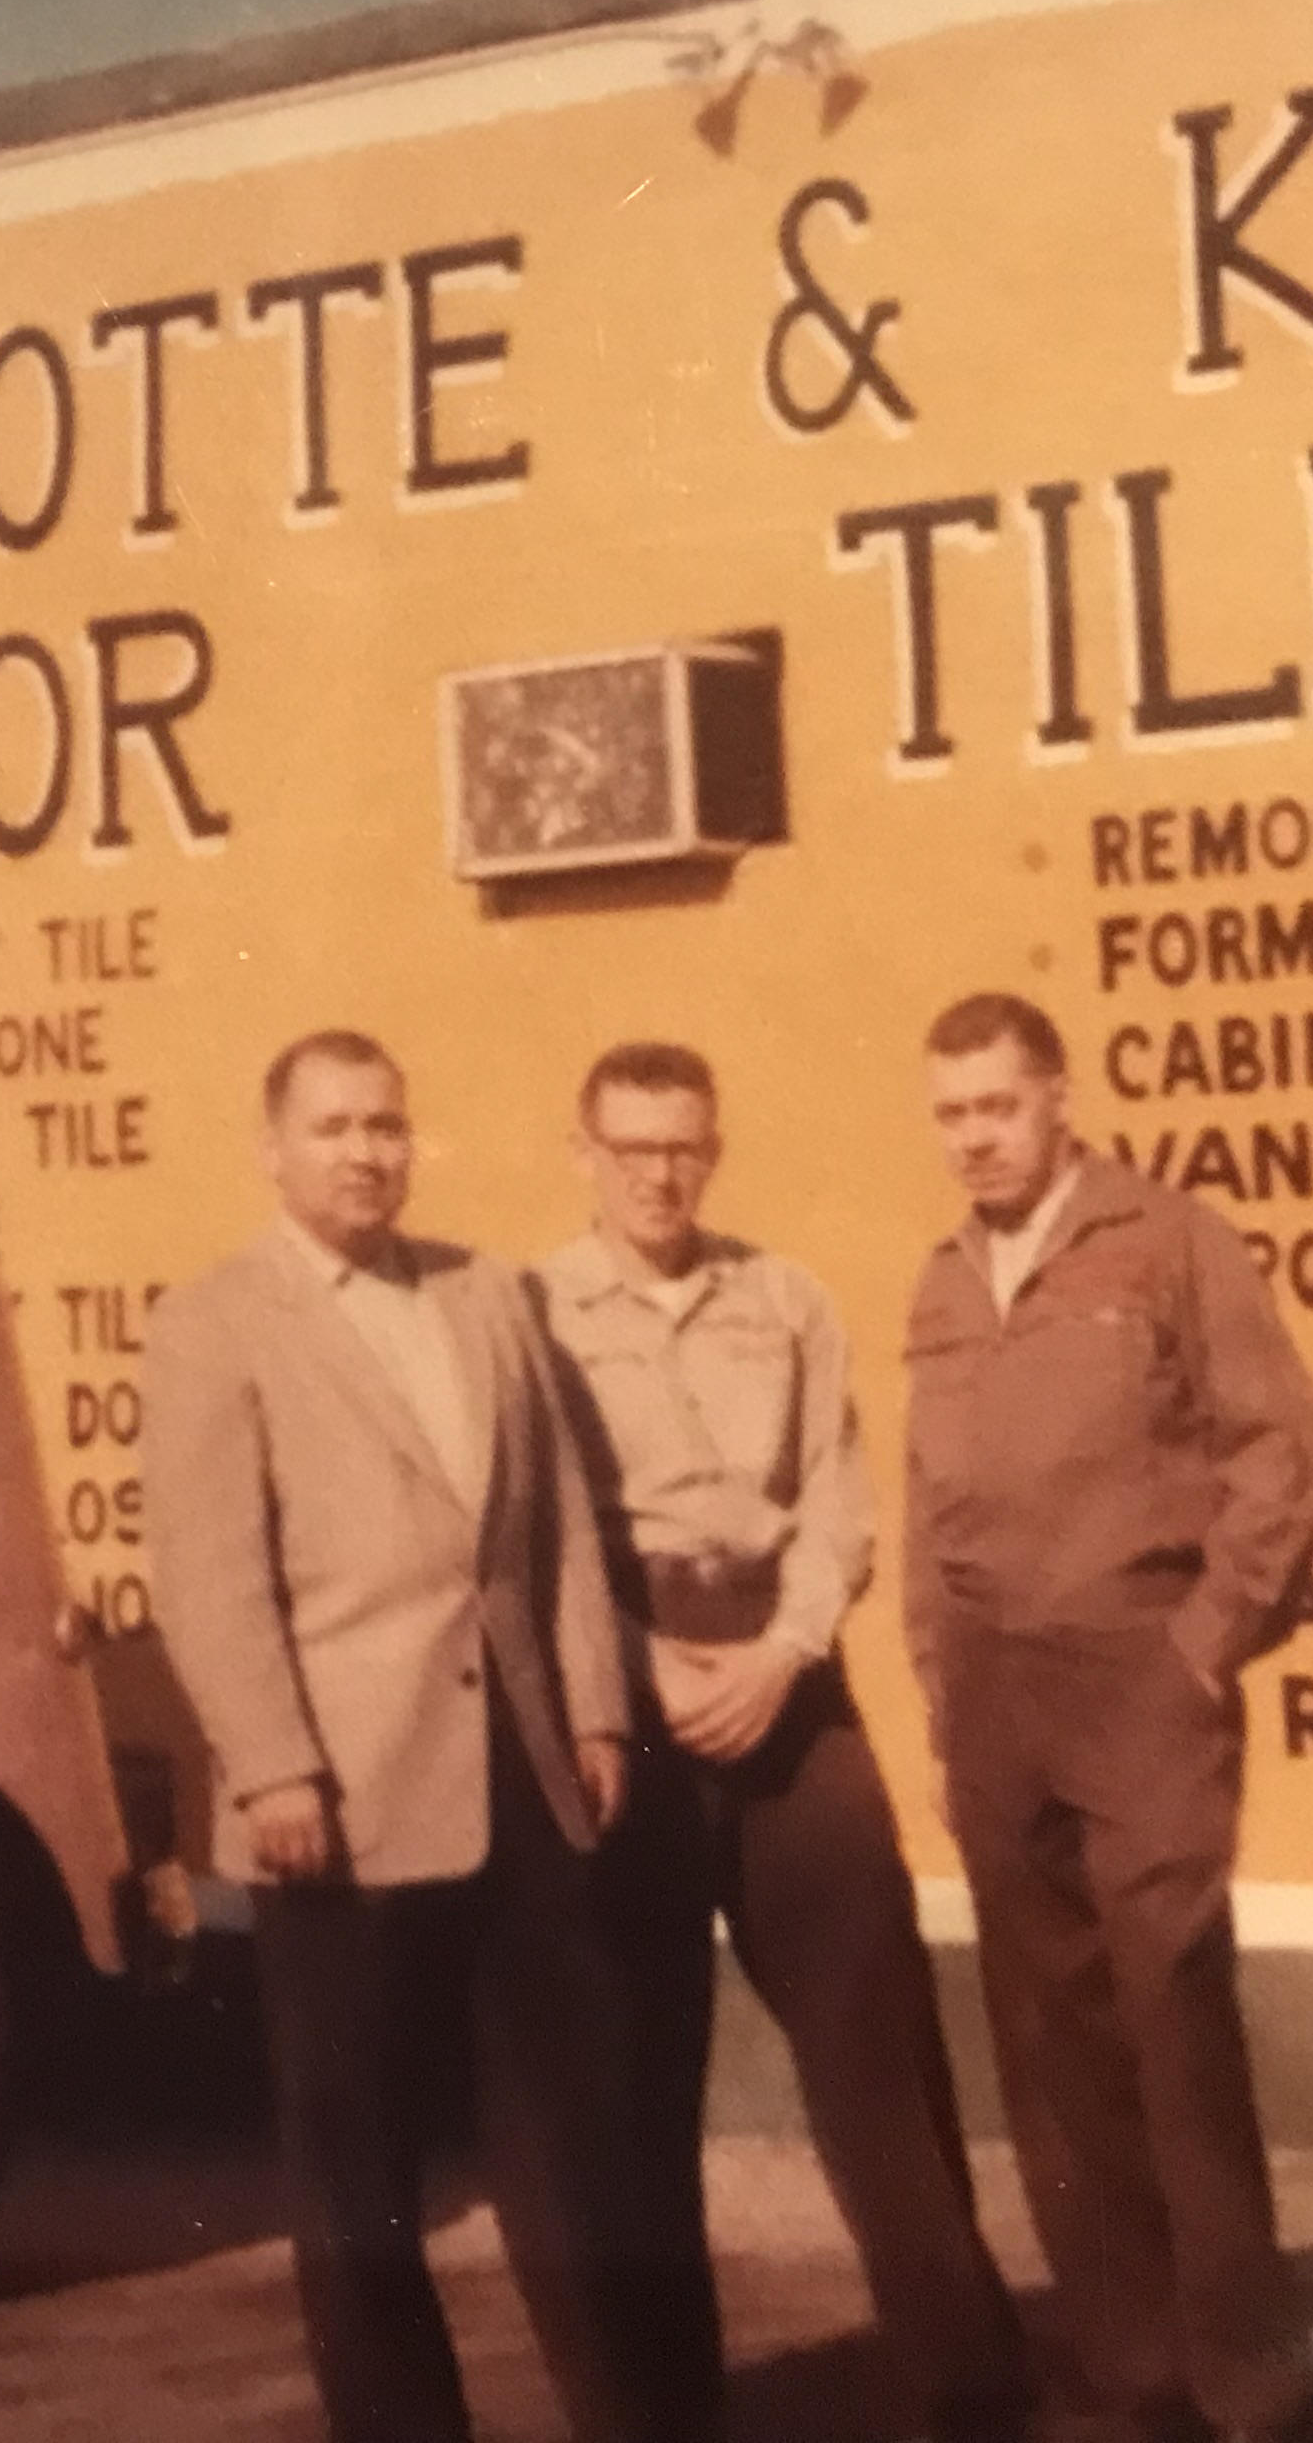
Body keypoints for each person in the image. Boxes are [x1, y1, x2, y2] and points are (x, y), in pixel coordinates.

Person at [142, 1028, 679, 2443]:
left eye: (386, 1126)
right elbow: (209, 1575)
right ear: (273, 1150)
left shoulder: (484, 1292)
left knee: (577, 2149)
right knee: (358, 2172)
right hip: (337, 1794)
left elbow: (553, 1525)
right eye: (333, 1129)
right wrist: (273, 1765)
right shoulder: (213, 1322)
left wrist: (597, 1713)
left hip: (521, 1775)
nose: (367, 1153)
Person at [538, 1041, 1032, 2443]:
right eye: (631, 1148)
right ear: (586, 1155)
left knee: (879, 2053)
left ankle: (972, 2393)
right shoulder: (532, 1314)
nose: (660, 1174)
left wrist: (782, 1654)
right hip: (620, 1696)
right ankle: (657, 2415)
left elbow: (839, 1501)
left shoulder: (787, 1299)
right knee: (635, 2075)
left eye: (684, 1145)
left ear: (715, 1147)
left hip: (782, 1681)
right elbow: (538, 1533)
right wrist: (636, 1667)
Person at [907, 992, 1313, 2443]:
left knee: (1171, 2013)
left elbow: (1280, 1447)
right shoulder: (944, 1279)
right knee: (1047, 2037)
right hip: (994, 1694)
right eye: (952, 1113)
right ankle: (1127, 2381)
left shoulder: (1170, 1239)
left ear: (1059, 1099)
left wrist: (1206, 1644)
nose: (977, 1138)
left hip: (1139, 1678)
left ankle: (1249, 2390)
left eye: (999, 1106)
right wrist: (935, 1661)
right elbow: (927, 1491)